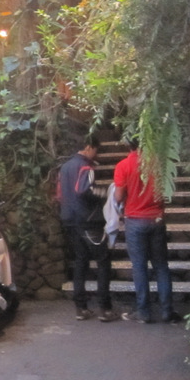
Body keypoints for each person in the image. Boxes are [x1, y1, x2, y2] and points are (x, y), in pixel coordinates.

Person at [113, 139, 181, 324]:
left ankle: (144, 312)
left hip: (135, 221)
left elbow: (118, 196)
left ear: (130, 146)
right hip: (156, 219)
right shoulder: (158, 164)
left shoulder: (123, 165)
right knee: (161, 266)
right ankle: (167, 311)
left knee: (139, 267)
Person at [58, 136, 118, 322]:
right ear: (88, 147)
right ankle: (104, 308)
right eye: (95, 150)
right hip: (88, 221)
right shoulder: (86, 167)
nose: (96, 154)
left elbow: (59, 194)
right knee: (103, 261)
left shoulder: (64, 168)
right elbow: (85, 190)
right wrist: (106, 193)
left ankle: (80, 308)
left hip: (69, 220)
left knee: (81, 262)